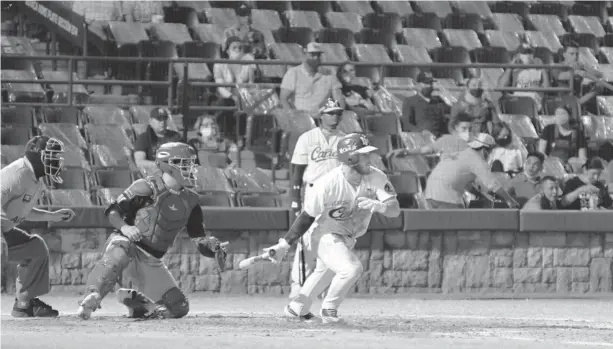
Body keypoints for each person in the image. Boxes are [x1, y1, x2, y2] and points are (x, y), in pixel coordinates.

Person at [77, 142, 228, 320]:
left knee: (179, 308)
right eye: (185, 164)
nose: (191, 169)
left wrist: (213, 249)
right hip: (128, 245)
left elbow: (198, 239)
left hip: (152, 259)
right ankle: (92, 295)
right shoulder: (146, 187)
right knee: (120, 252)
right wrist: (125, 227)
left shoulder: (192, 201)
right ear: (168, 164)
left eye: (191, 164)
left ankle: (141, 306)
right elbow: (112, 211)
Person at [263, 133, 401, 324]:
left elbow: (395, 210)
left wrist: (381, 206)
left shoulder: (376, 176)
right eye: (363, 155)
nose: (369, 159)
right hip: (323, 235)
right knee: (351, 269)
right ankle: (329, 309)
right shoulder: (326, 183)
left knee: (323, 274)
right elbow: (306, 217)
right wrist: (284, 245)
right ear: (349, 157)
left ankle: (296, 309)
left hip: (347, 236)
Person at [1, 136, 75, 317]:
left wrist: (52, 216)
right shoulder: (17, 173)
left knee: (36, 248)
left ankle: (25, 303)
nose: (56, 161)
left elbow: (23, 209)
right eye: (51, 156)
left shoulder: (35, 179)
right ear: (37, 155)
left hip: (5, 229)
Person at [289, 99, 346, 300]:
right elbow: (297, 169)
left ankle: (321, 287)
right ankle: (299, 286)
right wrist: (295, 199)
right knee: (306, 239)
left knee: (332, 239)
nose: (335, 116)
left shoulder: (345, 139)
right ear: (321, 115)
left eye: (337, 112)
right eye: (330, 113)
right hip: (312, 192)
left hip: (336, 195)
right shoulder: (307, 138)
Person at [424, 133, 520, 209]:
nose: (491, 154)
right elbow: (492, 184)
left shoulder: (461, 154)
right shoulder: (477, 159)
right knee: (460, 228)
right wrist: (510, 201)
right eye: (491, 151)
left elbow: (465, 184)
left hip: (430, 194)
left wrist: (480, 195)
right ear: (485, 150)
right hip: (446, 196)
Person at [279, 42, 345, 114]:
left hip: (323, 118)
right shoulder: (293, 73)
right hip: (301, 117)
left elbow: (339, 99)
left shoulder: (330, 75)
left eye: (318, 55)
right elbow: (283, 99)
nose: (316, 57)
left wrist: (339, 115)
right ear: (305, 55)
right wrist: (292, 115)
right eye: (312, 54)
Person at [213, 36, 256, 138]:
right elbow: (220, 86)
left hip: (244, 97)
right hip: (227, 97)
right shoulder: (219, 64)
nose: (237, 50)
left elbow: (251, 83)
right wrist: (232, 97)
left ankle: (243, 136)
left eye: (240, 48)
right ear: (227, 50)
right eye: (234, 47)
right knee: (223, 104)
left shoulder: (247, 65)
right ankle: (225, 135)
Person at [392, 111, 472, 161]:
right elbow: (423, 150)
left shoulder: (476, 145)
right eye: (464, 128)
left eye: (470, 129)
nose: (467, 132)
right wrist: (406, 152)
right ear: (456, 127)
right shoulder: (446, 140)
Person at [498, 40, 549, 112]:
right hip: (520, 101)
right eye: (524, 53)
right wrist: (510, 67)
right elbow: (501, 86)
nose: (528, 55)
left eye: (530, 52)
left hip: (537, 102)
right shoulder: (514, 70)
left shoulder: (539, 68)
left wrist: (543, 68)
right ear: (518, 55)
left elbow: (546, 88)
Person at [537, 105, 587, 169]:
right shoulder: (548, 129)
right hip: (550, 165)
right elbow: (541, 153)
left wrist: (572, 163)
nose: (560, 116)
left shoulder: (579, 133)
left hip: (570, 167)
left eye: (563, 114)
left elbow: (582, 157)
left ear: (570, 116)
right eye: (557, 114)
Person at [401, 71, 449, 137]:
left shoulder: (439, 100)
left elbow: (452, 114)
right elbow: (407, 125)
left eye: (431, 83)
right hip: (421, 138)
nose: (430, 86)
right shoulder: (409, 101)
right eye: (426, 83)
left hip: (440, 139)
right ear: (418, 85)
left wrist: (445, 94)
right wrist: (420, 132)